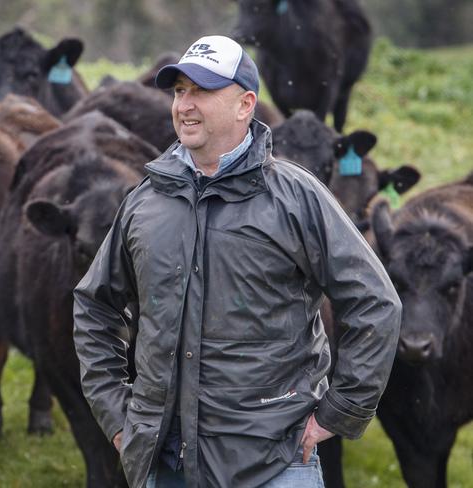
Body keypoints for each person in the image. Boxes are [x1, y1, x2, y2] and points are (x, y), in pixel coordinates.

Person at [73, 35, 402, 488]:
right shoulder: (146, 201)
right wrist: (116, 414)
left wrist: (340, 411)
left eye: (202, 91)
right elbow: (94, 305)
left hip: (275, 462)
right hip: (164, 463)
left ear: (245, 104)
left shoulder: (296, 197)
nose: (185, 106)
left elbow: (376, 302)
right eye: (178, 92)